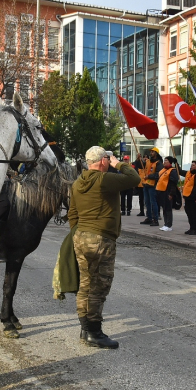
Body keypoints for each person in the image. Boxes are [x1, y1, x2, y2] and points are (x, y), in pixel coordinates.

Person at [68, 146, 140, 349]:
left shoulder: (77, 183)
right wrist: (119, 163)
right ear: (102, 161)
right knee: (99, 286)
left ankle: (85, 328)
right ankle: (94, 332)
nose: (110, 163)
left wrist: (78, 234)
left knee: (86, 284)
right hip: (100, 239)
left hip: (81, 236)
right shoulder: (103, 180)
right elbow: (134, 178)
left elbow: (73, 214)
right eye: (107, 160)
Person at [156, 156, 179, 231]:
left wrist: (171, 193)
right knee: (164, 208)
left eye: (166, 160)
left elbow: (173, 183)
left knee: (168, 208)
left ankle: (169, 225)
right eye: (164, 160)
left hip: (167, 191)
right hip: (161, 191)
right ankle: (165, 223)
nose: (164, 162)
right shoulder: (163, 170)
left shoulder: (172, 171)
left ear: (170, 162)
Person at [141, 148, 163, 227]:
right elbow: (141, 165)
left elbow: (158, 174)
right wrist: (138, 159)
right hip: (146, 184)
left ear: (156, 153)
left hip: (153, 185)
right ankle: (149, 218)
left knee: (153, 202)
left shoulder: (159, 163)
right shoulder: (148, 161)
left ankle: (155, 219)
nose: (151, 153)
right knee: (147, 202)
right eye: (150, 151)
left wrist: (149, 176)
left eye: (152, 152)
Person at [181, 160, 196, 235]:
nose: (191, 166)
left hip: (194, 196)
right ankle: (191, 228)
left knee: (194, 214)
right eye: (191, 165)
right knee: (189, 213)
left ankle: (195, 229)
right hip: (187, 196)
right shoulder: (189, 173)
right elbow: (180, 171)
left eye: (193, 165)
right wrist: (176, 163)